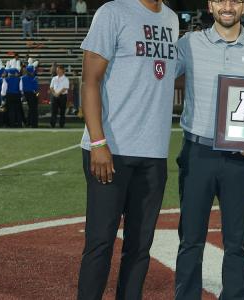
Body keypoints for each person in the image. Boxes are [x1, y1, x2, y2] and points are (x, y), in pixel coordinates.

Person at [76, 0, 179, 299]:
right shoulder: (113, 12)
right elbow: (89, 80)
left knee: (139, 247)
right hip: (111, 150)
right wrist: (98, 142)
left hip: (154, 152)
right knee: (100, 242)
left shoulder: (172, 19)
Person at [173, 0, 244, 298]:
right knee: (190, 238)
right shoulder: (188, 43)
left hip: (239, 158)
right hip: (197, 152)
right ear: (209, 4)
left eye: (235, 0)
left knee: (236, 241)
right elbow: (158, 76)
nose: (227, 6)